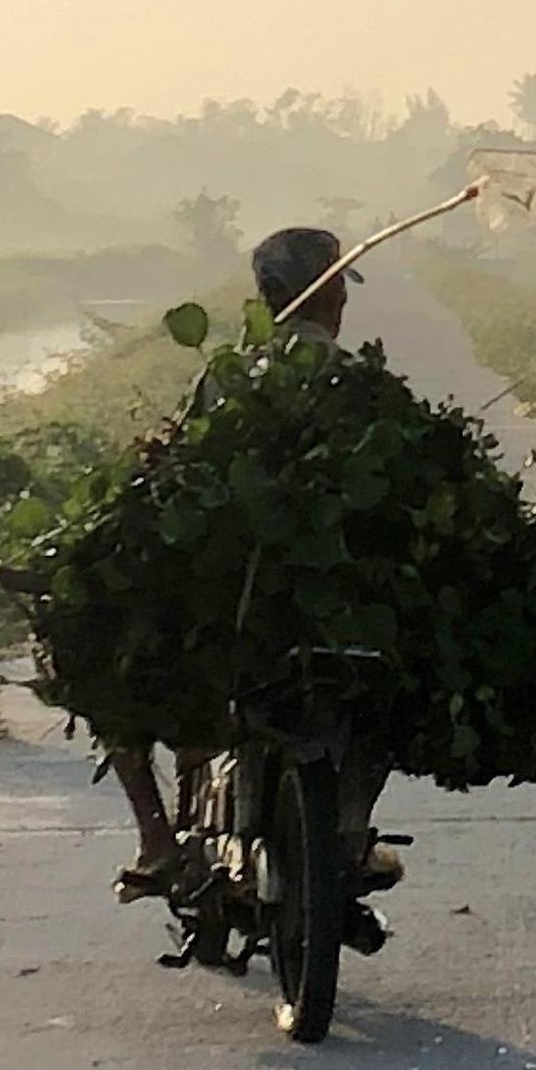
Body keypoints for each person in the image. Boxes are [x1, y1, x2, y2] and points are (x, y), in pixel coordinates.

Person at [109, 226, 397, 935]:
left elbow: (175, 471)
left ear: (267, 298)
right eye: (337, 289)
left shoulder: (225, 376)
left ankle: (155, 839)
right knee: (394, 692)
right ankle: (353, 831)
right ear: (326, 293)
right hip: (335, 605)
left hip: (230, 605)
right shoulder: (357, 381)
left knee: (112, 676)